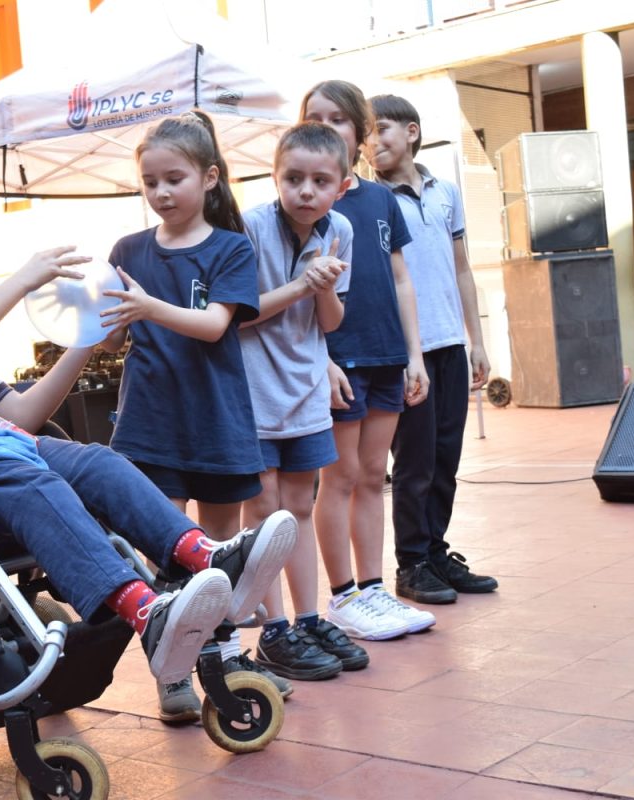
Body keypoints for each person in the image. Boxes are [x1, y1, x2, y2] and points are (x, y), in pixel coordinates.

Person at [0, 228, 297, 696]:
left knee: (96, 461)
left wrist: (88, 336)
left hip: (0, 456)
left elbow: (24, 416)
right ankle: (146, 614)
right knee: (34, 483)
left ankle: (207, 557)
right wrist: (21, 281)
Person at [98, 111, 292, 719]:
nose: (160, 192)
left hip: (216, 425)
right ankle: (172, 676)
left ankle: (227, 658)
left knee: (222, 552)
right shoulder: (126, 250)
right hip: (149, 429)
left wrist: (148, 306)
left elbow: (214, 326)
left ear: (209, 178)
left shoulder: (232, 248)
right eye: (150, 181)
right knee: (164, 555)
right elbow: (108, 340)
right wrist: (99, 322)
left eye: (173, 178)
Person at [301, 80, 436, 641]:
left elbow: (401, 279)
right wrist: (321, 361)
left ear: (358, 130)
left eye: (337, 118)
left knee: (371, 476)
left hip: (387, 355)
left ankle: (375, 590)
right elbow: (299, 295)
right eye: (315, 117)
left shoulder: (381, 200)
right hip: (340, 358)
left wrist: (414, 356)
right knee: (340, 476)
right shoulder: (306, 201)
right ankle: (342, 596)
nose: (327, 126)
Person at [237, 122, 371, 682]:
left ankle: (309, 619)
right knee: (263, 508)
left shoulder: (340, 229)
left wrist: (321, 289)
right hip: (255, 388)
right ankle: (271, 628)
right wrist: (300, 284)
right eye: (294, 179)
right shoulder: (249, 226)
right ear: (276, 177)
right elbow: (240, 313)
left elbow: (332, 320)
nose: (306, 191)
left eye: (320, 181)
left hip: (306, 386)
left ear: (342, 186)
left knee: (299, 506)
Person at [367, 93, 498, 604]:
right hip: (407, 354)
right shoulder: (370, 201)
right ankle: (412, 563)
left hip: (449, 345)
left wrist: (477, 340)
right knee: (414, 464)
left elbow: (462, 269)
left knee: (446, 459)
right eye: (368, 134)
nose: (373, 141)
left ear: (412, 132)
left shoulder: (445, 193)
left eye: (382, 129)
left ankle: (437, 553)